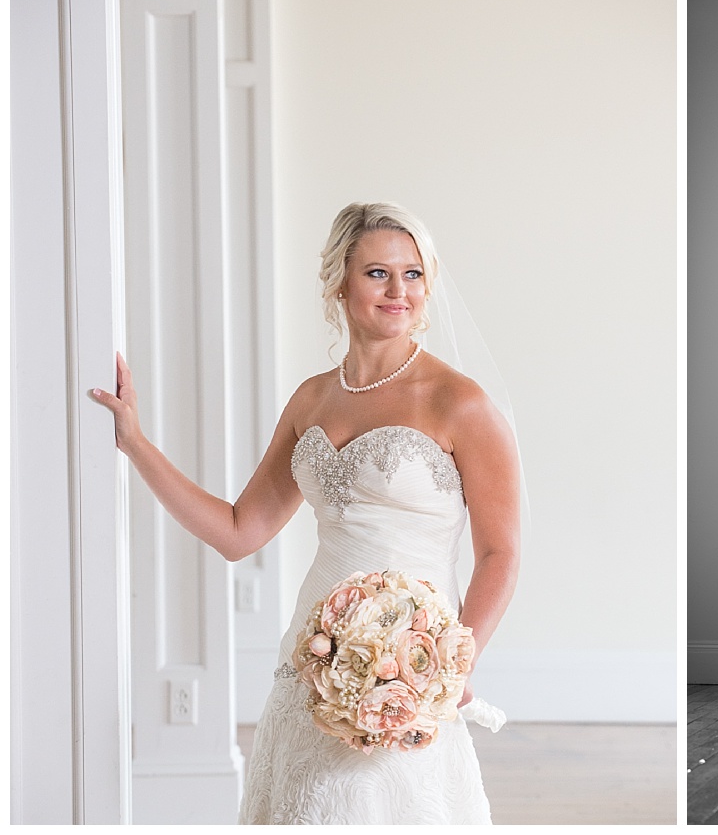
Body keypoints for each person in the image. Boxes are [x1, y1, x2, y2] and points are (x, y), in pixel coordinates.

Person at [93, 202, 521, 823]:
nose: (399, 290)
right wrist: (135, 442)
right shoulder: (313, 398)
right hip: (310, 659)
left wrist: (454, 663)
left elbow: (500, 553)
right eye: (377, 273)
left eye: (414, 273)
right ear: (339, 283)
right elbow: (240, 532)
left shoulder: (460, 403)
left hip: (410, 663)